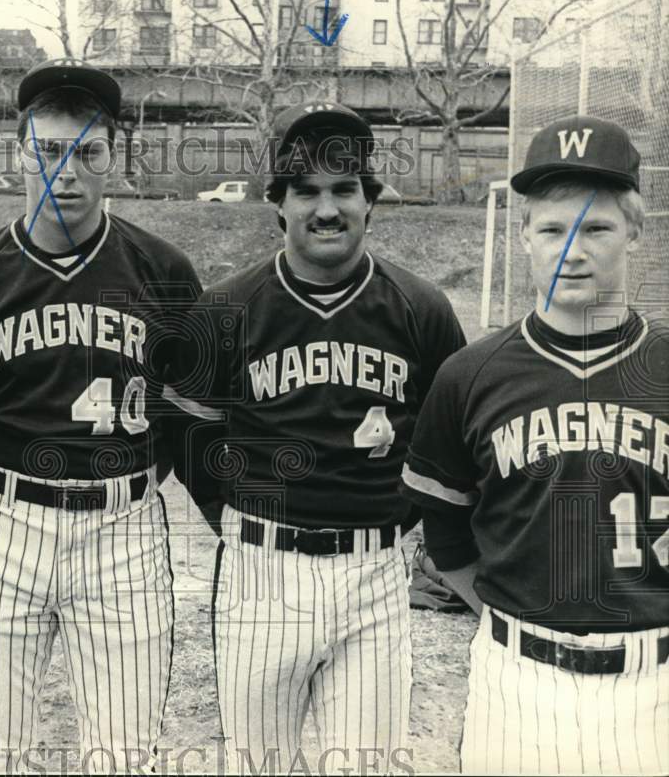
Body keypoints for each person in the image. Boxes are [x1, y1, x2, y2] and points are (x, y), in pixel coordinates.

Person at [0, 58, 202, 773]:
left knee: (125, 752)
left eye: (87, 152)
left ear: (115, 158)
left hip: (125, 528)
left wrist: (132, 481)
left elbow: (185, 409)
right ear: (20, 154)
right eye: (47, 151)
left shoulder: (164, 272)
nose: (65, 172)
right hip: (0, 523)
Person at [169, 101, 466, 773]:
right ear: (278, 204)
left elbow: (447, 437)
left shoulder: (421, 309)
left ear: (371, 202)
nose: (325, 208)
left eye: (343, 189)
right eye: (306, 191)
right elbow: (188, 431)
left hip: (373, 570)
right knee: (256, 763)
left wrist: (396, 517)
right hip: (260, 571)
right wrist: (231, 515)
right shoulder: (225, 307)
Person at [400, 115, 669, 774]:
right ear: (523, 237)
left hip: (655, 682)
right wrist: (506, 621)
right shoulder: (471, 372)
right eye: (552, 229)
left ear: (637, 231)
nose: (571, 250)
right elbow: (446, 529)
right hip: (516, 678)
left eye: (597, 227)